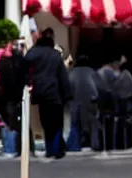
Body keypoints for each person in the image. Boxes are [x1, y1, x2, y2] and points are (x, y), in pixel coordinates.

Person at [25, 28, 72, 159]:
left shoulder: (33, 53)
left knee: (45, 123)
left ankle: (49, 148)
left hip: (40, 94)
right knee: (56, 124)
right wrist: (67, 95)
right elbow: (62, 77)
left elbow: (26, 64)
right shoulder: (55, 56)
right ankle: (55, 149)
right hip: (55, 94)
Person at [68, 55, 107, 151]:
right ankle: (95, 144)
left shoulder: (72, 73)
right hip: (91, 101)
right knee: (93, 123)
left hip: (75, 102)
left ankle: (75, 146)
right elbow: (102, 87)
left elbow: (67, 87)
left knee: (75, 124)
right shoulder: (92, 72)